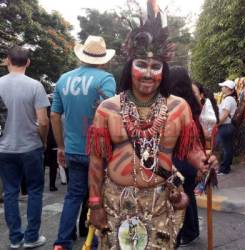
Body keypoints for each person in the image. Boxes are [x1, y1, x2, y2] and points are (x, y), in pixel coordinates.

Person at [86, 1, 218, 249]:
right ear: (130, 67)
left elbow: (191, 150)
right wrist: (95, 204)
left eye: (155, 67)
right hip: (116, 202)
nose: (148, 74)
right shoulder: (108, 109)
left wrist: (204, 160)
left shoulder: (179, 107)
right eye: (141, 65)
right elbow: (96, 161)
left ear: (163, 71)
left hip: (161, 202)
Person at [51, 35, 116, 250]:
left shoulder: (63, 79)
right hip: (98, 151)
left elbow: (54, 115)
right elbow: (111, 115)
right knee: (100, 196)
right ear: (103, 59)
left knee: (73, 196)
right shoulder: (106, 79)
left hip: (72, 149)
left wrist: (60, 146)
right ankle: (95, 241)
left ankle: (61, 242)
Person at [0, 46, 49, 248]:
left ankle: (14, 239)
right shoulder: (35, 86)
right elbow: (43, 121)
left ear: (7, 60)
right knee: (35, 191)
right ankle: (31, 237)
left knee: (10, 192)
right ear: (28, 62)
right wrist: (43, 141)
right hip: (30, 146)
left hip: (4, 148)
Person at [169, 66, 203, 247]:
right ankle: (191, 231)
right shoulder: (193, 102)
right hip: (190, 158)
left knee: (179, 197)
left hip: (179, 158)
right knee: (188, 194)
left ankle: (183, 233)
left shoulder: (176, 104)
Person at [217, 80, 237, 175]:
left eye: (223, 86)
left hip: (226, 126)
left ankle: (225, 169)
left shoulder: (228, 100)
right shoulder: (230, 99)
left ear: (229, 89)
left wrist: (217, 124)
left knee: (226, 148)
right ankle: (226, 166)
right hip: (229, 126)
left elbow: (224, 115)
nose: (222, 88)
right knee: (228, 147)